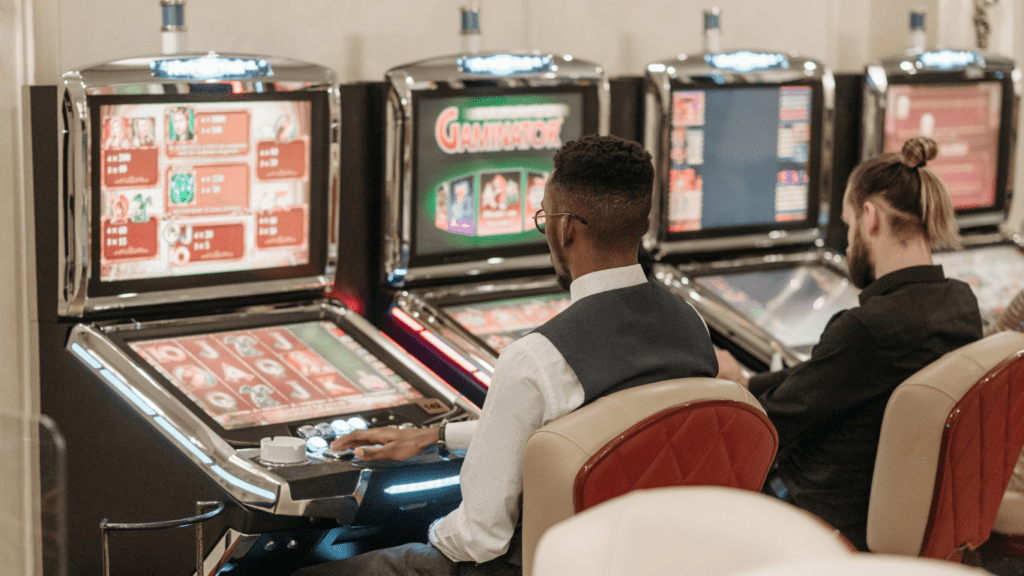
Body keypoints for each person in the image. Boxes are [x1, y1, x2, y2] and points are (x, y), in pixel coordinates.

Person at [291, 135, 718, 576]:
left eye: (545, 218)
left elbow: (478, 538)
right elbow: (592, 434)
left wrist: (417, 526)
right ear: (643, 223)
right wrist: (435, 438)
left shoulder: (538, 358)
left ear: (564, 228)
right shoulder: (690, 325)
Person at [717, 136, 983, 551]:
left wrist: (722, 395)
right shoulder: (960, 304)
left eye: (848, 224)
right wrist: (747, 383)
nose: (847, 241)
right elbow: (823, 377)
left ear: (870, 218)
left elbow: (769, 424)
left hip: (818, 513)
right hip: (888, 507)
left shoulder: (866, 328)